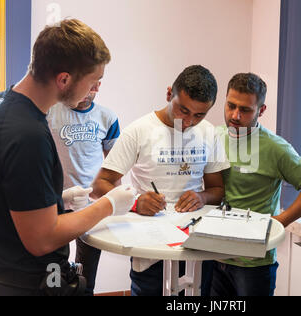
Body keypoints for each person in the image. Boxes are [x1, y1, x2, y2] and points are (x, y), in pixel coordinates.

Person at [0, 19, 135, 296]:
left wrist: (57, 199)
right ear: (64, 79)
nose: (94, 90)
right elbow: (42, 239)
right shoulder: (28, 134)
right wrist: (109, 205)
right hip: (22, 281)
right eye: (92, 82)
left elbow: (1, 192)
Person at [91, 65, 230, 296]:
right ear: (169, 94)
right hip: (149, 245)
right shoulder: (139, 130)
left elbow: (217, 189)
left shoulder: (208, 132)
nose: (188, 121)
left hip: (195, 243)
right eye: (183, 110)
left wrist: (202, 196)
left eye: (199, 115)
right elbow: (101, 184)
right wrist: (136, 202)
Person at [212, 73, 301, 296]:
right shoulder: (213, 137)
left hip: (253, 262)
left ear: (261, 111)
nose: (235, 115)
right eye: (231, 105)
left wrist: (279, 222)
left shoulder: (276, 148)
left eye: (245, 110)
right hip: (213, 254)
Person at [47, 81, 121, 295]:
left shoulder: (107, 117)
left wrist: (116, 202)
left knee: (86, 279)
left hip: (90, 206)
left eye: (96, 86)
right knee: (53, 277)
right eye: (86, 85)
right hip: (57, 204)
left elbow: (114, 167)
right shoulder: (50, 113)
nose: (91, 92)